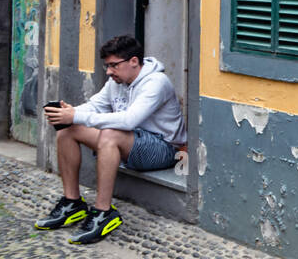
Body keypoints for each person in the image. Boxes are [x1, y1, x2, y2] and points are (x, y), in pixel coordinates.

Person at [36, 35, 187, 245]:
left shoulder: (156, 83)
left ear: (133, 61)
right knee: (68, 129)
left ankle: (103, 212)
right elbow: (95, 105)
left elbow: (128, 120)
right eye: (107, 66)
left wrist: (77, 116)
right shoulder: (117, 81)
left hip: (163, 149)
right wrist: (69, 113)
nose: (109, 71)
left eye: (113, 65)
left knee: (110, 133)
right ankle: (73, 203)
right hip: (129, 142)